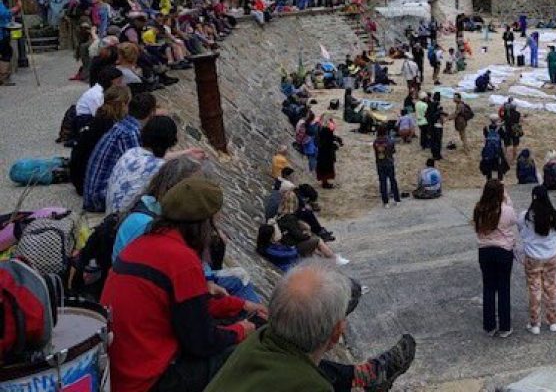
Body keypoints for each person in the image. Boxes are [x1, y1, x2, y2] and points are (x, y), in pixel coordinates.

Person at [101, 178, 261, 392]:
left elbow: (187, 307)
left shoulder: (144, 244)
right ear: (204, 223)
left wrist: (241, 306)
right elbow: (202, 342)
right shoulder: (181, 260)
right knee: (248, 352)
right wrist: (242, 330)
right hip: (150, 381)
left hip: (121, 375)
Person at [205, 262, 417, 392]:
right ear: (336, 334)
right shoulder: (310, 386)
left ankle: (368, 375)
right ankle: (370, 375)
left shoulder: (256, 343)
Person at [105, 115, 203, 214]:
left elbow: (156, 159)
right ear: (170, 141)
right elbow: (161, 164)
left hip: (111, 215)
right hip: (122, 221)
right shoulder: (160, 169)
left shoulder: (132, 152)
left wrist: (186, 153)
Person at [84, 92, 157, 212]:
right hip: (99, 199)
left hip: (93, 193)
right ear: (152, 113)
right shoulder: (131, 133)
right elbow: (139, 167)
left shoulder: (123, 124)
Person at [473, 180, 518, 338]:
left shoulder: (479, 209)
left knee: (488, 288)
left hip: (485, 251)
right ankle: (505, 326)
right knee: (504, 288)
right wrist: (507, 198)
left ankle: (489, 325)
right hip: (503, 250)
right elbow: (514, 219)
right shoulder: (505, 210)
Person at [70, 84, 131, 195]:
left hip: (79, 177)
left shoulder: (100, 117)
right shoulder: (112, 126)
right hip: (88, 183)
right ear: (123, 104)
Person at [519, 186, 556, 335]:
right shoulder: (553, 215)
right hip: (551, 256)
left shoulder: (526, 216)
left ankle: (535, 323)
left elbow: (521, 232)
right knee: (551, 288)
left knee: (534, 290)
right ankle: (553, 321)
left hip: (533, 257)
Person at [75, 66, 124, 131]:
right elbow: (100, 116)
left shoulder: (103, 92)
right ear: (109, 81)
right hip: (85, 123)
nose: (121, 85)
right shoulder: (96, 95)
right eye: (118, 82)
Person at [372, 125, 400, 207]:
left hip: (380, 164)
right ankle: (396, 199)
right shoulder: (390, 141)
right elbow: (393, 151)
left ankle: (385, 202)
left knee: (382, 182)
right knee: (393, 181)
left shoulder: (375, 142)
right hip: (389, 162)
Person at [316, 116, 343, 189]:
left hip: (322, 151)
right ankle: (325, 183)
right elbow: (328, 141)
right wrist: (335, 144)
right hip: (326, 152)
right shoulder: (327, 130)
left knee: (323, 167)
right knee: (326, 167)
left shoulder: (320, 128)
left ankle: (325, 182)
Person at [481, 115, 508, 180]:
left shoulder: (486, 128)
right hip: (497, 149)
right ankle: (500, 179)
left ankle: (489, 179)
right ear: (497, 120)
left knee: (488, 164)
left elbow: (485, 136)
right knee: (499, 165)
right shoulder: (500, 128)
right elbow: (504, 138)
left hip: (488, 149)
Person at [500, 98, 523, 163]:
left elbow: (503, 119)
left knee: (506, 144)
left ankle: (503, 158)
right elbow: (519, 121)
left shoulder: (506, 113)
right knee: (515, 145)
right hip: (515, 129)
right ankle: (513, 159)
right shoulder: (518, 113)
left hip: (508, 129)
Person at [427, 92, 445, 160]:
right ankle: (438, 154)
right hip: (438, 125)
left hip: (432, 125)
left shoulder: (430, 105)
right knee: (438, 141)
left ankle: (434, 154)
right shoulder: (439, 106)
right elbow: (440, 116)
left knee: (433, 140)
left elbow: (428, 115)